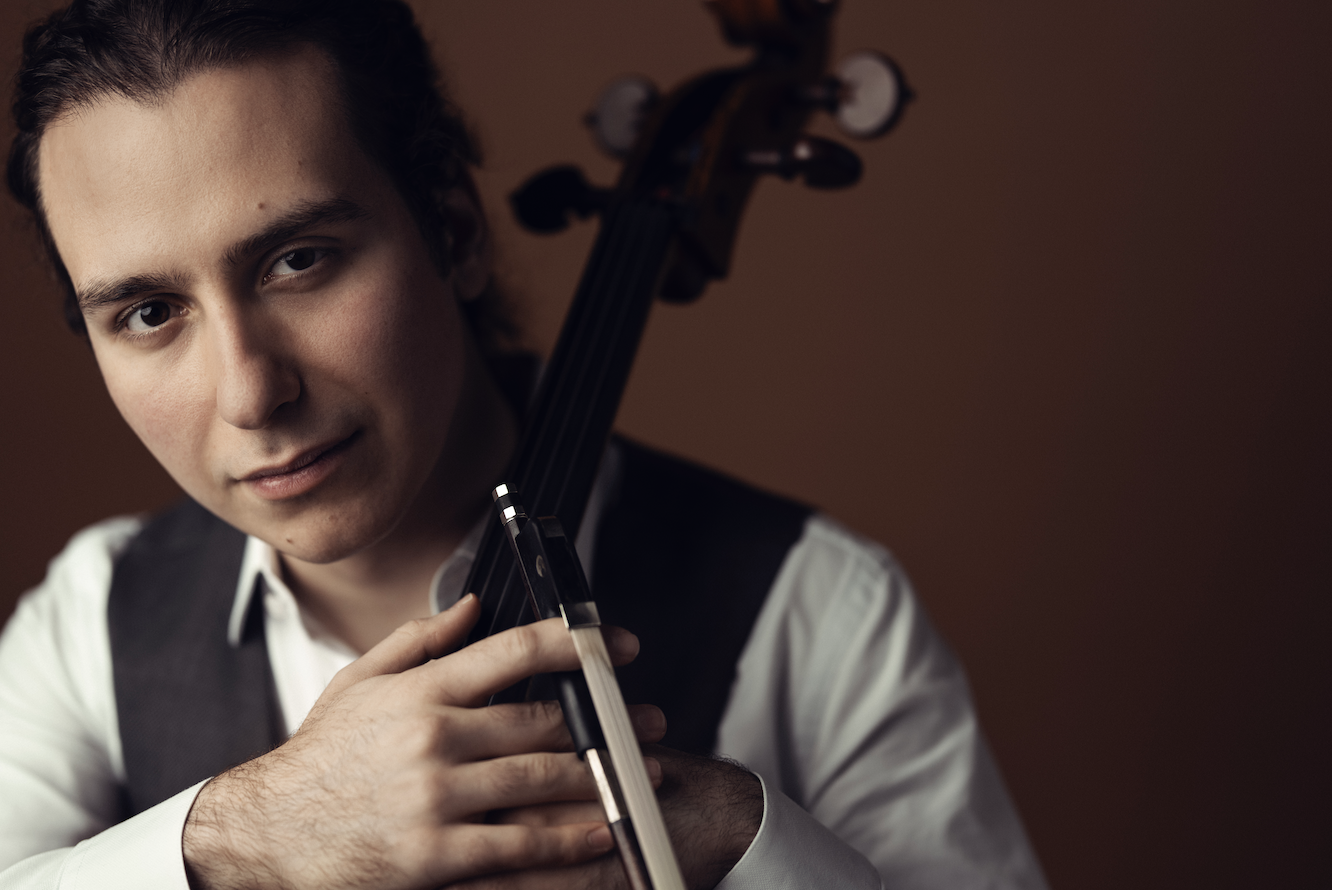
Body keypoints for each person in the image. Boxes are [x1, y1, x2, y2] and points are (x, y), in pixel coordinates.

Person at [0, 1, 1048, 888]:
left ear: (453, 230)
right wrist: (244, 832)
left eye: (299, 259)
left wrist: (742, 832)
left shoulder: (820, 610)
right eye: (147, 312)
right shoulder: (90, 619)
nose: (250, 391)